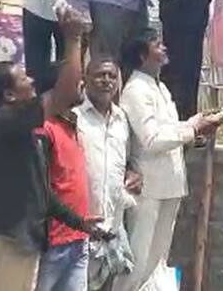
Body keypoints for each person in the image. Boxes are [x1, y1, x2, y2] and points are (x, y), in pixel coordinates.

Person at [0, 8, 108, 291]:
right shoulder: (0, 122)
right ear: (8, 95)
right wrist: (73, 38)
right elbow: (65, 94)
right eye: (23, 79)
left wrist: (79, 222)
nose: (32, 81)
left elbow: (40, 191)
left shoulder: (20, 131)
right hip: (0, 245)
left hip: (15, 244)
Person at [113, 29, 223, 291]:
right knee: (138, 260)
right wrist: (194, 131)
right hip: (149, 187)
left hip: (170, 184)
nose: (164, 48)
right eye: (157, 45)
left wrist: (197, 122)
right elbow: (152, 140)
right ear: (143, 56)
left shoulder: (160, 87)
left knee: (156, 260)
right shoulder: (136, 90)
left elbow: (169, 127)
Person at [75, 58, 142, 291]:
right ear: (85, 79)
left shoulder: (122, 119)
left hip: (111, 230)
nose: (106, 81)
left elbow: (125, 163)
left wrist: (133, 174)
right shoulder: (73, 118)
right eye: (100, 75)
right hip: (79, 230)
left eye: (112, 76)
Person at [34, 65, 93, 291]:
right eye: (75, 82)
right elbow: (40, 187)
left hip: (79, 239)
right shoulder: (44, 129)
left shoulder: (72, 123)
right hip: (53, 243)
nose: (81, 86)